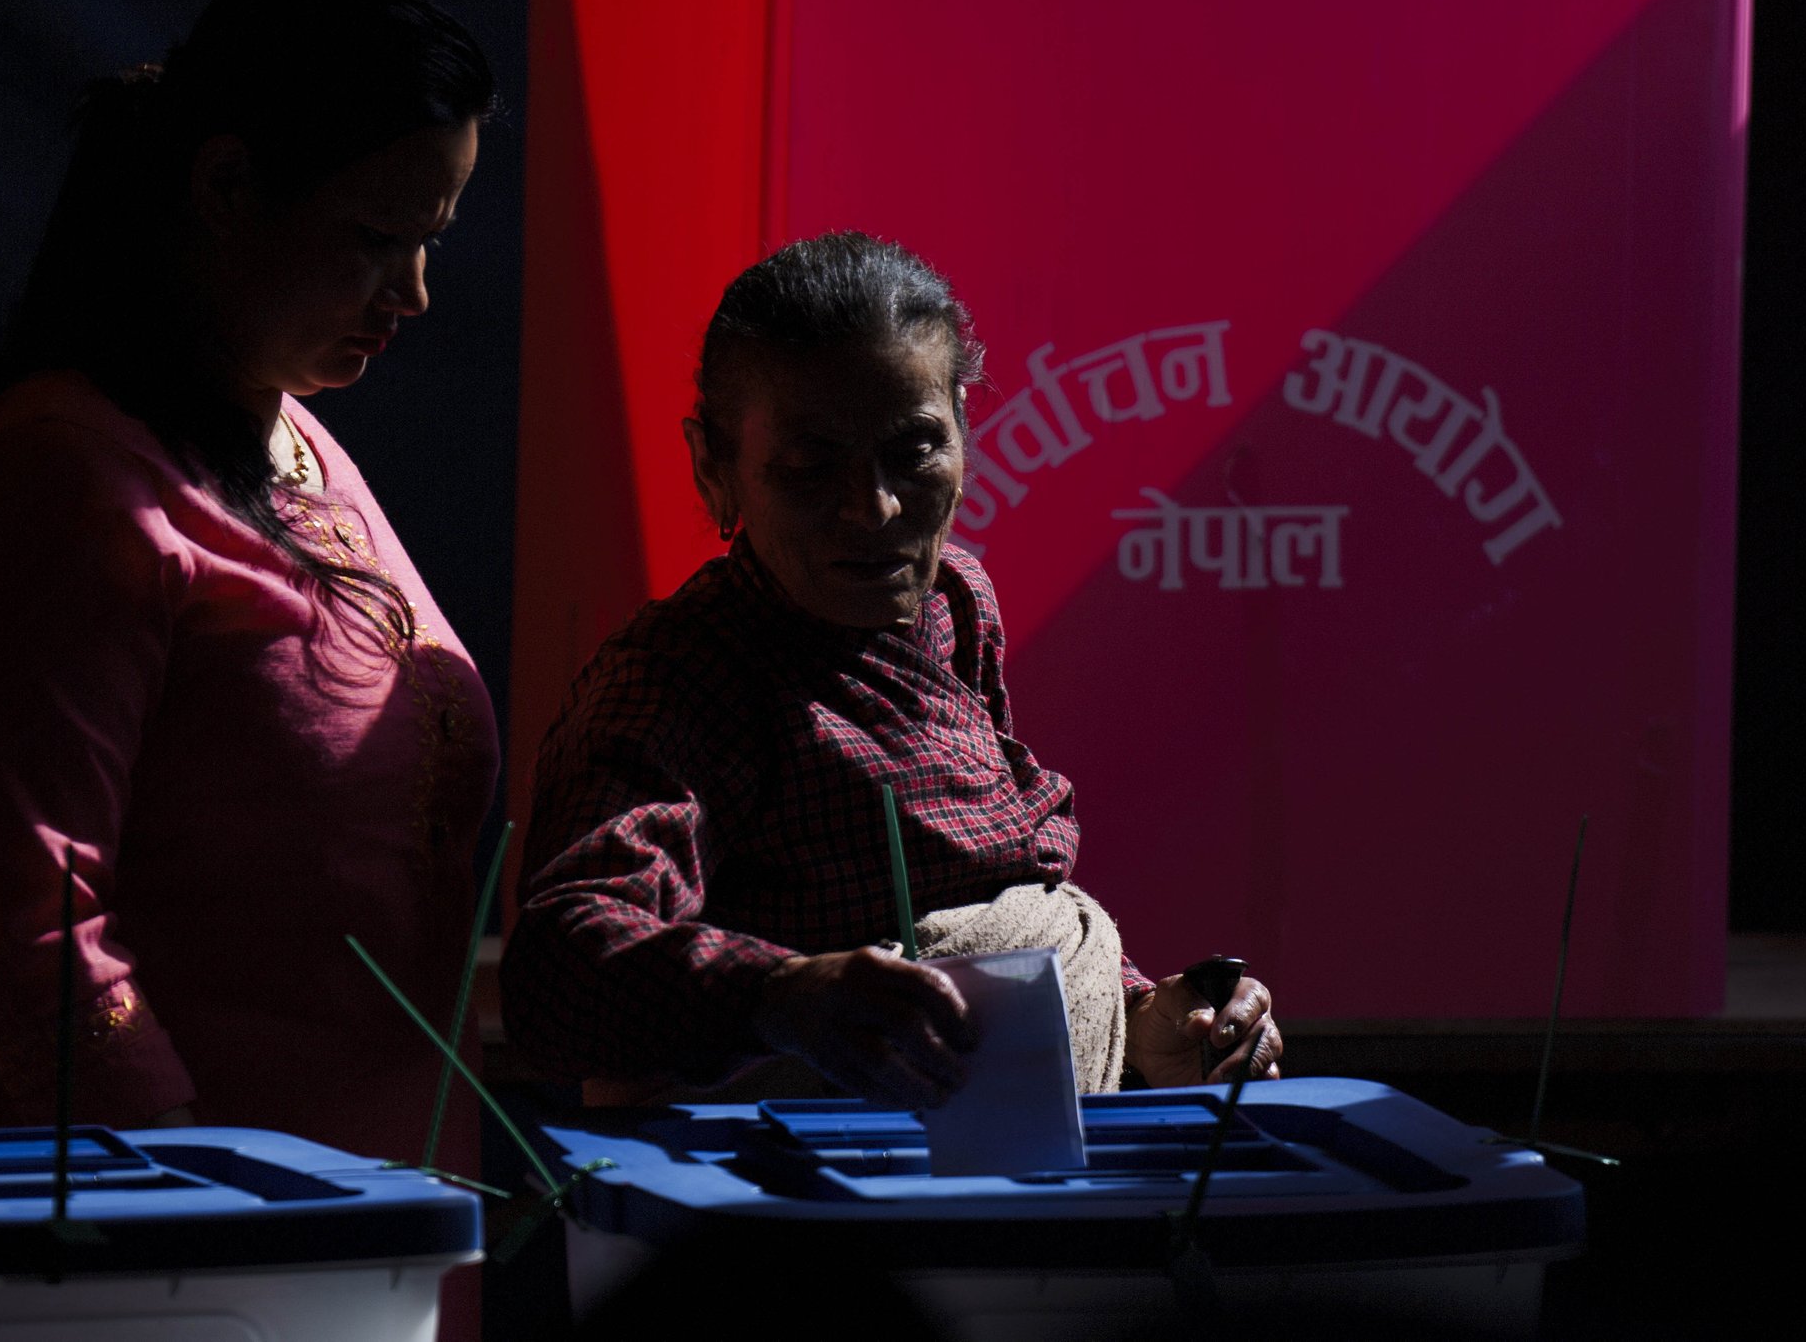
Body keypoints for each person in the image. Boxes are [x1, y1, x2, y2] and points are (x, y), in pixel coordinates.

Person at [0, 0, 501, 1169]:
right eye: (379, 238)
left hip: (368, 1198)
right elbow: (31, 921)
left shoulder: (293, 434)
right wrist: (188, 1200)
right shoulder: (65, 480)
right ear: (226, 184)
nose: (418, 294)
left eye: (432, 240)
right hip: (165, 1228)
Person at [504, 232, 1280, 1108]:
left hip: (1009, 1174)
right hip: (821, 1206)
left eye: (912, 449)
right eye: (807, 466)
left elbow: (997, 884)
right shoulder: (682, 675)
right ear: (712, 468)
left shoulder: (957, 602)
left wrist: (1144, 1018)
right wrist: (782, 995)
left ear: (961, 428)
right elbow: (558, 965)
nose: (872, 508)